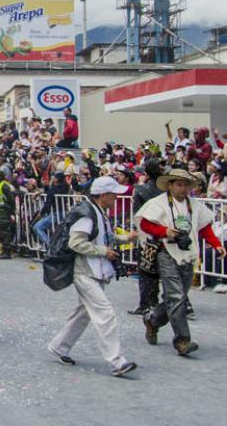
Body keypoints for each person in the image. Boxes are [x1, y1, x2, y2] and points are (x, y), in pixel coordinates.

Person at [47, 176, 139, 377]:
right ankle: (117, 361)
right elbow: (76, 243)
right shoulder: (88, 214)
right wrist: (103, 251)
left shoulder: (96, 212)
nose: (116, 197)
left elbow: (105, 236)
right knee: (105, 313)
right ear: (103, 195)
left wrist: (126, 238)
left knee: (84, 313)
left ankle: (59, 346)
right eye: (113, 194)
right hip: (86, 271)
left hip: (92, 271)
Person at [135, 169, 226, 356]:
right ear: (170, 185)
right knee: (176, 297)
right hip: (165, 252)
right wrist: (164, 231)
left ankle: (152, 320)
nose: (183, 188)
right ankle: (182, 340)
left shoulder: (194, 205)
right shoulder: (158, 203)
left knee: (176, 298)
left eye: (185, 185)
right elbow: (145, 224)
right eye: (179, 184)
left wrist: (217, 245)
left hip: (188, 254)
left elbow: (205, 228)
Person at [129, 159, 164, 317]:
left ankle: (145, 304)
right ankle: (156, 302)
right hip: (165, 234)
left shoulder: (141, 190)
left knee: (145, 270)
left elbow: (137, 216)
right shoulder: (167, 191)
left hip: (147, 235)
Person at [0, 169, 17, 259]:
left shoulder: (4, 186)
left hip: (4, 212)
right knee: (0, 231)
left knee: (5, 232)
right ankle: (3, 249)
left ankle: (7, 252)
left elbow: (11, 199)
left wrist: (12, 211)